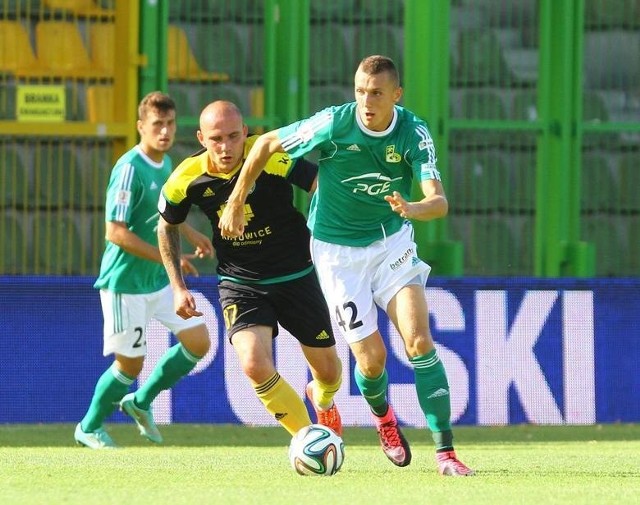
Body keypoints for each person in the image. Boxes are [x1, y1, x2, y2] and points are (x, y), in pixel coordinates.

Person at [219, 55, 475, 476]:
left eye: (376, 93)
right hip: (337, 254)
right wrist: (236, 199)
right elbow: (264, 144)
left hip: (391, 243)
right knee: (371, 362)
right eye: (359, 91)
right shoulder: (335, 123)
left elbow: (439, 202)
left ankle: (446, 453)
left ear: (396, 94)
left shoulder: (414, 132)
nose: (366, 101)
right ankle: (384, 418)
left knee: (419, 343)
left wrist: (413, 207)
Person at [157, 100, 343, 437]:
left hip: (295, 272)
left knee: (329, 373)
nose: (226, 147)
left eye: (233, 136)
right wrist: (178, 286)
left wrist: (328, 238)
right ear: (201, 138)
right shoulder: (186, 177)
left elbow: (320, 184)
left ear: (245, 132)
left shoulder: (268, 154)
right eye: (216, 139)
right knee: (254, 365)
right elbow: (166, 225)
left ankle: (323, 399)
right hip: (240, 280)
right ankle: (308, 438)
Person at [75, 91, 214, 449]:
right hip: (126, 284)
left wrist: (190, 230)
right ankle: (89, 427)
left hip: (157, 281)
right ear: (141, 127)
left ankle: (140, 401)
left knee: (198, 341)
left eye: (170, 124)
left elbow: (167, 212)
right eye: (157, 125)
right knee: (130, 365)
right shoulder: (128, 169)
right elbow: (115, 232)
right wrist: (169, 259)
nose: (165, 132)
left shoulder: (166, 164)